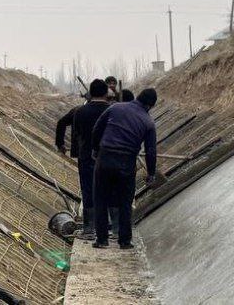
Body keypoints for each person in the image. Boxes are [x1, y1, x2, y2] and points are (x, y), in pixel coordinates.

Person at [91, 88, 160, 250]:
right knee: (125, 202)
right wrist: (150, 174)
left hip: (105, 158)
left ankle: (101, 240)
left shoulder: (115, 107)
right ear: (150, 106)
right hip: (126, 163)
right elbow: (151, 151)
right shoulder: (148, 122)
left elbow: (97, 129)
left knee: (100, 199)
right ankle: (124, 241)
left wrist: (95, 149)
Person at [54, 79, 111, 240]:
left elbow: (76, 133)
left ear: (90, 93)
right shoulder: (112, 111)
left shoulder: (79, 111)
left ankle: (89, 229)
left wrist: (62, 145)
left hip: (86, 156)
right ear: (106, 93)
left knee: (88, 190)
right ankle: (108, 226)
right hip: (107, 156)